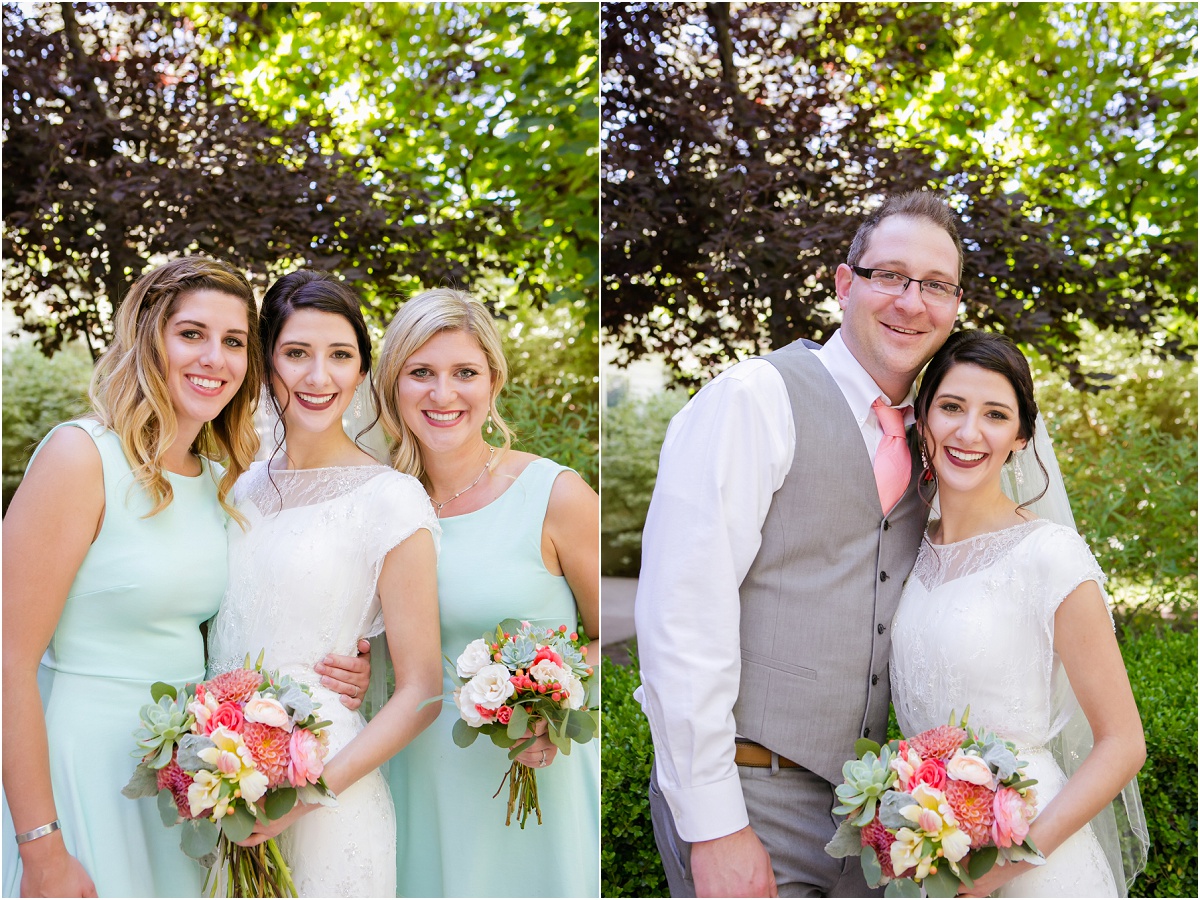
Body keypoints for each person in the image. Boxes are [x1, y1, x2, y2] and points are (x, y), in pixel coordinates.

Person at [1, 257, 371, 898]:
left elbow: (237, 620)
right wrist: (41, 847)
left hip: (185, 783)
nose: (215, 359)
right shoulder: (80, 456)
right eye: (191, 334)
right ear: (150, 339)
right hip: (81, 770)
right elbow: (7, 657)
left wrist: (339, 662)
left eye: (233, 342)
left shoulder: (217, 486)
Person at [635, 191, 964, 897]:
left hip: (870, 813)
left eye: (935, 285)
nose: (912, 301)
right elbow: (681, 614)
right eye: (890, 276)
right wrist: (715, 823)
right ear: (846, 284)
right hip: (751, 795)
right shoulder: (755, 397)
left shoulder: (940, 437)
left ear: (955, 307)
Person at [205, 270, 442, 897]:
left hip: (328, 785)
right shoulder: (232, 487)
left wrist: (305, 797)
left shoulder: (390, 499)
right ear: (265, 365)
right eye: (296, 354)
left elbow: (422, 690)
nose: (319, 377)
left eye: (340, 356)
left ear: (362, 371)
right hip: (217, 775)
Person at [890, 330, 1147, 897]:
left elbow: (1124, 743)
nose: (968, 432)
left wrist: (1009, 865)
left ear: (1022, 436)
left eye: (996, 414)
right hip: (928, 851)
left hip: (1034, 857)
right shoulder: (902, 550)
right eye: (951, 407)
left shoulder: (1049, 555)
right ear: (924, 417)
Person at [375, 287, 600, 898]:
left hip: (529, 770)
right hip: (410, 772)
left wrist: (556, 703)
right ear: (393, 384)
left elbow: (613, 636)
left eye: (464, 373)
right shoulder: (377, 503)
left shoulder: (556, 495)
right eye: (421, 372)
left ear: (493, 381)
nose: (443, 395)